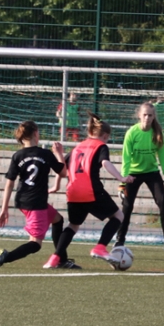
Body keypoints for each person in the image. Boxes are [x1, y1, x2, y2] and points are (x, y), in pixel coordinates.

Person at [50, 113, 134, 269]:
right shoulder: (100, 146)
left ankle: (54, 259)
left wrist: (56, 186)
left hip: (73, 192)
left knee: (73, 225)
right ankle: (100, 247)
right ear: (105, 136)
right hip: (91, 190)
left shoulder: (77, 147)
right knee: (118, 216)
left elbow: (62, 168)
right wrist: (121, 178)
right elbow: (105, 163)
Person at [0, 121, 76, 269]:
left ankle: (62, 260)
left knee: (57, 219)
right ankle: (6, 256)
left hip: (23, 200)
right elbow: (63, 172)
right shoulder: (45, 154)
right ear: (36, 133)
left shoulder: (17, 155)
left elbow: (9, 183)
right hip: (36, 203)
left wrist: (4, 209)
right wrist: (59, 154)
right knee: (35, 244)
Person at [116, 102, 164, 252]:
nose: (147, 118)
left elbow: (163, 156)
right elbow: (126, 158)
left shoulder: (158, 133)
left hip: (152, 173)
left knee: (163, 202)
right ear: (139, 115)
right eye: (144, 115)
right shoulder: (132, 133)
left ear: (154, 116)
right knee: (127, 205)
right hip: (133, 174)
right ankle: (119, 240)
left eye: (150, 115)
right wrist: (123, 181)